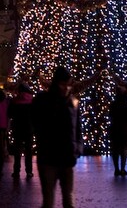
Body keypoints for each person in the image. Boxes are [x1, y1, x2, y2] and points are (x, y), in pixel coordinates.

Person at [32, 66, 82, 208]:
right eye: (62, 84)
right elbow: (36, 122)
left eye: (68, 84)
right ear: (55, 83)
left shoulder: (73, 103)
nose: (66, 88)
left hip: (67, 157)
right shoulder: (43, 100)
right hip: (49, 156)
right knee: (48, 199)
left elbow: (77, 127)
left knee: (69, 198)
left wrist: (77, 147)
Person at [8, 82, 35, 179]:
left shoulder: (14, 101)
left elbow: (10, 114)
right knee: (28, 150)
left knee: (17, 151)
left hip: (17, 128)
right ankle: (29, 171)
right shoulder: (32, 101)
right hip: (29, 128)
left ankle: (16, 171)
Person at [109, 83, 127, 176]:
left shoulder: (113, 105)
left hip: (115, 128)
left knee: (115, 150)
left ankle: (116, 169)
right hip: (124, 129)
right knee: (124, 149)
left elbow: (111, 116)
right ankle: (123, 169)